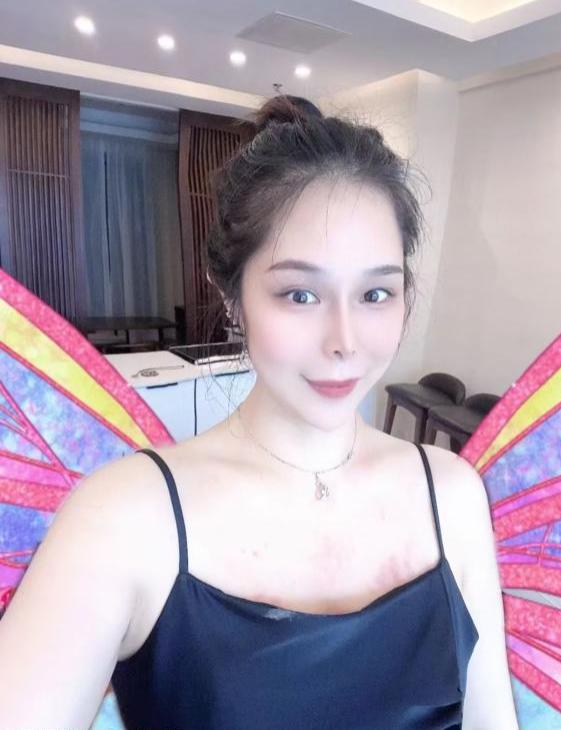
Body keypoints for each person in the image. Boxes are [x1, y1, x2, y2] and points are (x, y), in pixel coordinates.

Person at [0, 95, 519, 729]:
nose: (345, 341)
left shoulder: (455, 496)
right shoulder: (124, 518)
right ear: (232, 298)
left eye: (375, 293)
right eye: (300, 294)